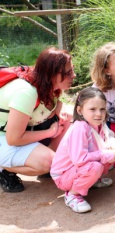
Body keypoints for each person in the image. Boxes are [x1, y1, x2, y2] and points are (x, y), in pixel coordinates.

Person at [0, 47, 75, 193]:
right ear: (52, 74)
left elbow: (53, 103)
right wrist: (49, 132)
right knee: (49, 161)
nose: (74, 75)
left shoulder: (43, 82)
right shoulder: (27, 93)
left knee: (67, 119)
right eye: (69, 72)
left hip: (11, 134)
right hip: (5, 137)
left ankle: (45, 163)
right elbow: (13, 138)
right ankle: (3, 170)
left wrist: (60, 108)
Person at [50, 87, 115, 213]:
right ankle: (72, 195)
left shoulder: (98, 124)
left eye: (102, 109)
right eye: (92, 109)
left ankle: (91, 181)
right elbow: (79, 160)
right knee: (97, 165)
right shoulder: (80, 128)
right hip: (63, 176)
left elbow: (107, 140)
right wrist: (105, 154)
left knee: (110, 154)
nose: (99, 113)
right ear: (80, 110)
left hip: (75, 170)